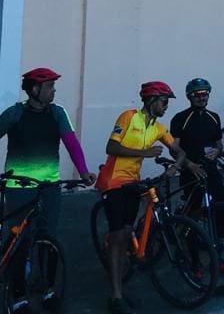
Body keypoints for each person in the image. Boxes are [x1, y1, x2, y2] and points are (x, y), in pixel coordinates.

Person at [96, 81, 202, 314]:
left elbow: (179, 150)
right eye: (164, 102)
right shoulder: (128, 117)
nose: (166, 106)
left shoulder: (158, 128)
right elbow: (111, 147)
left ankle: (128, 256)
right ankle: (115, 297)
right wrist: (144, 153)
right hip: (113, 182)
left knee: (128, 229)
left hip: (133, 182)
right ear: (152, 100)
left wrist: (178, 165)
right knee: (119, 236)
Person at [0, 67, 96, 239]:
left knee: (48, 235)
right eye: (50, 86)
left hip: (49, 186)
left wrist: (83, 171)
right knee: (19, 237)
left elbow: (72, 143)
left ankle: (46, 264)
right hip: (19, 186)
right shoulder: (14, 113)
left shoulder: (57, 113)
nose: (54, 90)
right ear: (35, 90)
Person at [169, 78, 224, 275]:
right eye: (197, 95)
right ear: (189, 97)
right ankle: (195, 262)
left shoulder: (214, 117)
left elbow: (218, 144)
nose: (202, 97)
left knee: (222, 208)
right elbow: (175, 150)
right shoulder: (181, 118)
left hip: (211, 170)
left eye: (205, 94)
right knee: (194, 216)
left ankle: (219, 255)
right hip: (191, 172)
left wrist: (217, 151)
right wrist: (188, 164)